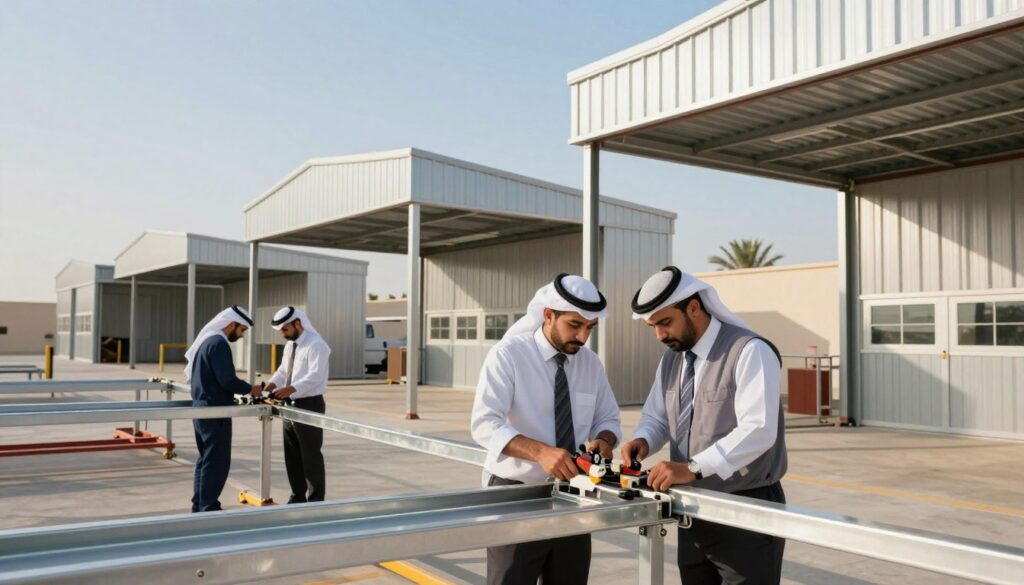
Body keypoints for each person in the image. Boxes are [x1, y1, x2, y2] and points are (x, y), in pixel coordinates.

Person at [619, 266, 787, 585]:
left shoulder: (750, 350)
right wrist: (642, 440)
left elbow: (759, 429)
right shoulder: (673, 359)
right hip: (692, 511)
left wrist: (693, 467)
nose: (659, 335)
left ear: (694, 308)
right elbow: (657, 416)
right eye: (653, 326)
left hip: (746, 509)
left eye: (665, 322)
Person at [471, 273, 622, 585]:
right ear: (548, 315)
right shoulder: (508, 355)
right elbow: (484, 424)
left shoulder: (590, 364)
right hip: (515, 495)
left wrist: (604, 442)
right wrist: (540, 452)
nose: (582, 337)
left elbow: (608, 419)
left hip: (573, 496)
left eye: (589, 328)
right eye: (575, 325)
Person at [184, 305, 261, 513]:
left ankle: (200, 504)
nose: (242, 334)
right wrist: (251, 389)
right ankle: (208, 507)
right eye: (242, 329)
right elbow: (227, 380)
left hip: (201, 409)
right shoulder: (219, 344)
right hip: (214, 411)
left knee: (206, 459)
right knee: (216, 461)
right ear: (231, 324)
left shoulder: (207, 341)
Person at [264, 306, 331, 503]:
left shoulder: (316, 345)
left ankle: (316, 499)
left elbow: (315, 376)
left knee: (310, 456)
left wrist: (291, 389)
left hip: (309, 404)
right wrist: (272, 384)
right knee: (291, 454)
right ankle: (297, 495)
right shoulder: (290, 345)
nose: (283, 334)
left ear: (298, 323)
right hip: (289, 405)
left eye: (285, 330)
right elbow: (283, 370)